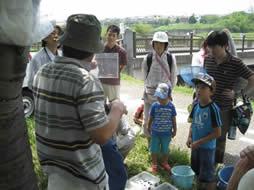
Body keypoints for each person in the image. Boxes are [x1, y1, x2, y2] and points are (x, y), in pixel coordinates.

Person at [32, 14, 127, 190]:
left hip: (56, 173)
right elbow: (101, 135)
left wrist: (83, 68)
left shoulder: (42, 72)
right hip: (84, 179)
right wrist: (117, 109)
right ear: (92, 52)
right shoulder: (86, 81)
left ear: (64, 43)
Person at [204, 30, 254, 164]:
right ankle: (205, 161)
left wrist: (238, 94)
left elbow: (252, 78)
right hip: (206, 106)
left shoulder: (235, 62)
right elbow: (204, 79)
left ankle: (216, 165)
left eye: (215, 47)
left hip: (224, 108)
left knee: (220, 138)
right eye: (210, 46)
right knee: (205, 133)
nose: (211, 50)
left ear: (225, 45)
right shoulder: (208, 60)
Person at [186, 73, 222, 190]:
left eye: (203, 87)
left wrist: (199, 142)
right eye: (197, 87)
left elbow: (217, 133)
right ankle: (198, 187)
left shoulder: (213, 109)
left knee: (207, 176)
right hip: (196, 146)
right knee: (196, 171)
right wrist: (189, 137)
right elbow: (192, 123)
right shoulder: (196, 105)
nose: (198, 90)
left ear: (211, 92)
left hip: (207, 149)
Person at [142, 31, 177, 146]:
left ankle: (163, 145)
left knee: (164, 120)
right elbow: (144, 76)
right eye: (156, 43)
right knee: (148, 118)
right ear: (153, 44)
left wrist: (169, 93)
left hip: (164, 96)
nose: (159, 45)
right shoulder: (148, 58)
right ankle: (150, 144)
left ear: (166, 45)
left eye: (161, 43)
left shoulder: (171, 58)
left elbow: (173, 77)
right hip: (150, 93)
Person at [147, 83, 177, 174]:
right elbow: (151, 118)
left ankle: (165, 162)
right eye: (158, 96)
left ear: (168, 96)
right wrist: (148, 127)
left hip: (167, 134)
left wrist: (175, 130)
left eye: (162, 97)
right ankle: (154, 164)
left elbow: (173, 120)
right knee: (154, 149)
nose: (159, 99)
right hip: (155, 133)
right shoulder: (154, 106)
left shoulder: (171, 106)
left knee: (165, 149)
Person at [26, 24, 61, 89]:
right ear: (45, 38)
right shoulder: (37, 59)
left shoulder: (62, 56)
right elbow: (31, 84)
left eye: (58, 34)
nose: (57, 36)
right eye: (53, 33)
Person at [100, 24, 127, 102]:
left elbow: (122, 66)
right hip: (101, 82)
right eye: (109, 35)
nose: (111, 37)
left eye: (113, 35)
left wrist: (113, 73)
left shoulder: (122, 52)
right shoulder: (100, 49)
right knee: (101, 105)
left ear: (117, 37)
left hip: (114, 83)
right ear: (106, 35)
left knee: (114, 105)